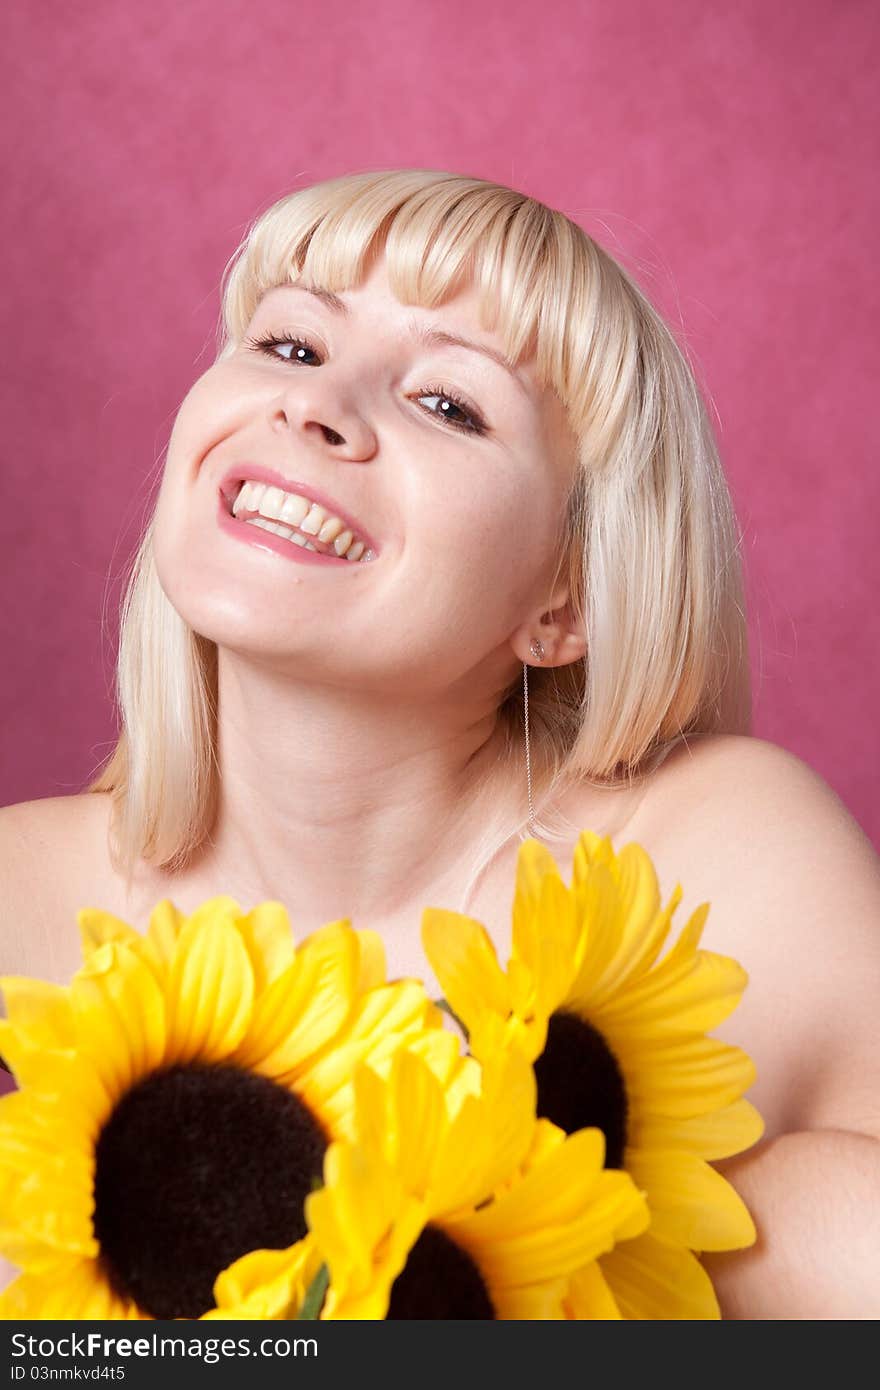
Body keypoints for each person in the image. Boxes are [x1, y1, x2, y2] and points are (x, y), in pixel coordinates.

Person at [1, 168, 878, 1318]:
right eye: (292, 345)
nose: (312, 408)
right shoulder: (17, 893)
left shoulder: (720, 858)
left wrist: (525, 1236)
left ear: (565, 599)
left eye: (449, 404)